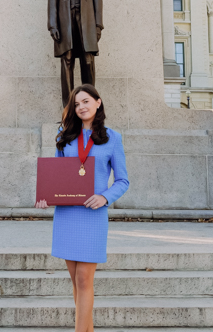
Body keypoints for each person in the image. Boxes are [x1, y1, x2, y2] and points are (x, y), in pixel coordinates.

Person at [35, 84, 129, 332]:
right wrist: (45, 196)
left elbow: (123, 180)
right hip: (67, 214)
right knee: (76, 282)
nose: (81, 107)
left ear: (98, 102)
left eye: (86, 101)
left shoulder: (113, 138)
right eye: (76, 104)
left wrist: (105, 197)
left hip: (93, 215)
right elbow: (55, 177)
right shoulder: (64, 135)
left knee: (85, 279)